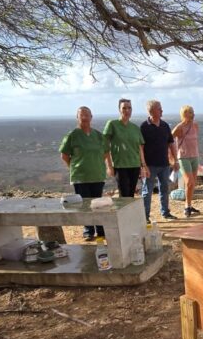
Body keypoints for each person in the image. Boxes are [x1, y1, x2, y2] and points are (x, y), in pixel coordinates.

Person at [59, 106, 107, 241]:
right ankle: (88, 231)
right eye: (82, 115)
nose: (85, 117)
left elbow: (105, 152)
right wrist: (74, 167)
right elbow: (64, 155)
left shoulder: (98, 135)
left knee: (98, 204)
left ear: (91, 117)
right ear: (77, 118)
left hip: (97, 175)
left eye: (87, 115)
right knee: (85, 205)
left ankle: (101, 230)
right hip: (81, 177)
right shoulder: (72, 136)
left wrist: (96, 164)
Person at [140, 99, 179, 222]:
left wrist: (175, 160)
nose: (162, 111)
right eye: (159, 108)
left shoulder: (165, 125)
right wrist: (143, 165)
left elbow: (171, 144)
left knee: (165, 189)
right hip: (150, 165)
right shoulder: (144, 127)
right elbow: (140, 147)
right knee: (147, 191)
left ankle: (165, 213)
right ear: (151, 111)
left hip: (164, 164)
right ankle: (144, 216)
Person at [103, 98, 147, 198]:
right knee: (124, 195)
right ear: (119, 109)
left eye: (129, 108)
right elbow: (105, 146)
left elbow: (140, 148)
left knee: (131, 195)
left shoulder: (135, 128)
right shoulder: (112, 124)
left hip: (135, 165)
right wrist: (109, 166)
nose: (127, 110)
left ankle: (129, 214)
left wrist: (143, 166)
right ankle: (122, 213)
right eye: (124, 108)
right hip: (120, 166)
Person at [172, 105, 201, 217]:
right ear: (184, 114)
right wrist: (172, 157)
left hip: (195, 156)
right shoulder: (179, 127)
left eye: (193, 112)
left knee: (192, 183)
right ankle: (186, 206)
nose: (193, 114)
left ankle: (189, 204)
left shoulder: (195, 126)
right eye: (190, 112)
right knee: (189, 182)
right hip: (183, 157)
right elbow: (169, 140)